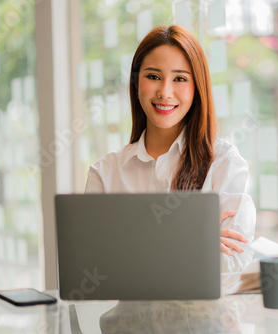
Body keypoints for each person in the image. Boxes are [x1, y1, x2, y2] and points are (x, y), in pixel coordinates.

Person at [84, 25, 256, 272]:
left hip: (206, 312)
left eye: (180, 79)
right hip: (123, 312)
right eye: (153, 76)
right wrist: (192, 238)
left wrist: (133, 243)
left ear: (197, 88)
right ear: (135, 84)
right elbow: (92, 270)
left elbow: (229, 267)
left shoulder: (224, 164)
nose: (165, 92)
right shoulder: (105, 173)